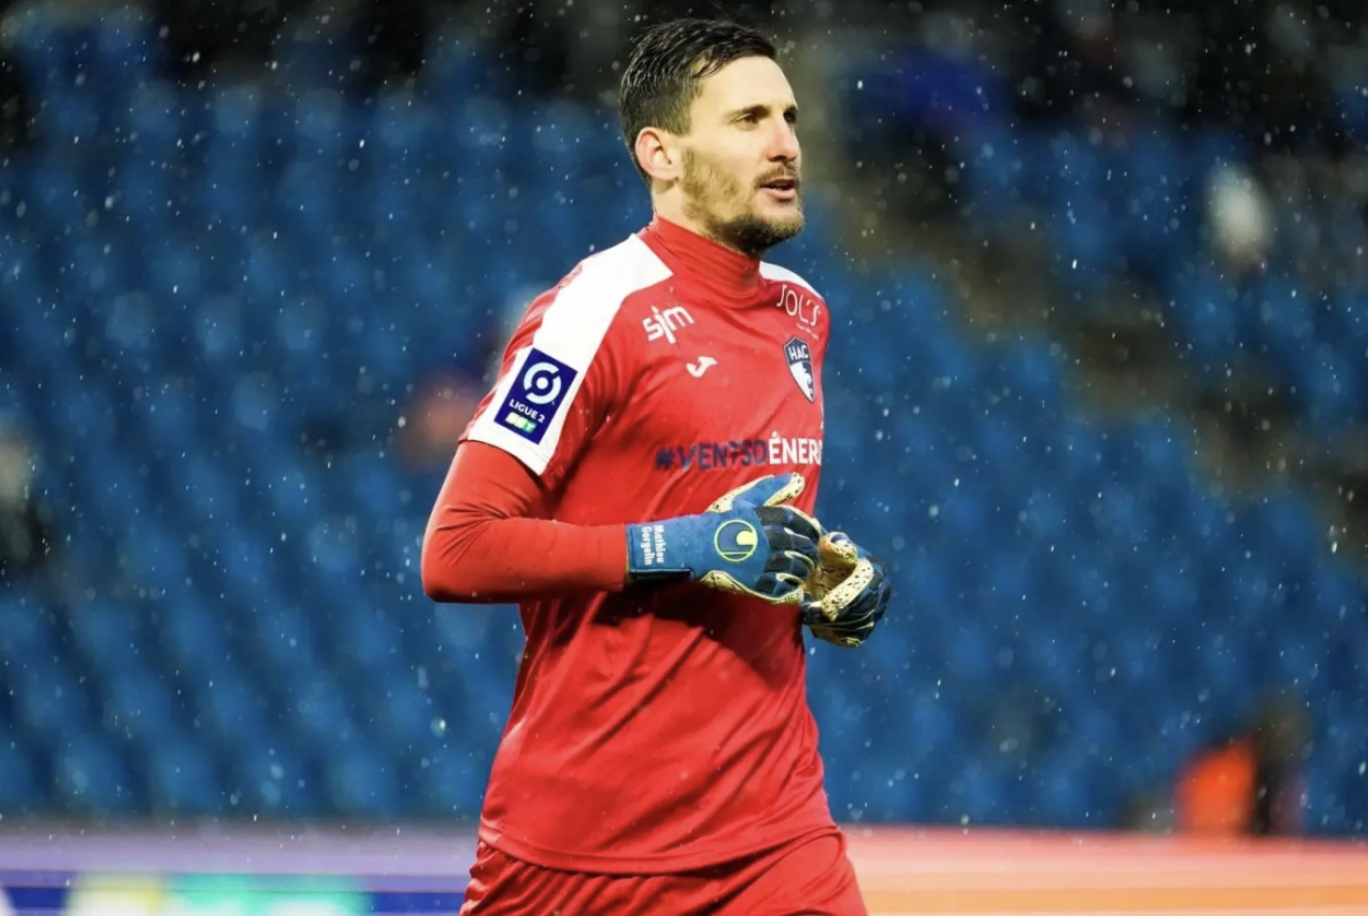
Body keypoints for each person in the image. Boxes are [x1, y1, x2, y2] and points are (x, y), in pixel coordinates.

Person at [421, 17, 892, 916]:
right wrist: (679, 547)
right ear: (661, 153)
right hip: (585, 850)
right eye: (748, 119)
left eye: (789, 117)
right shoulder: (592, 312)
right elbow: (457, 550)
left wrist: (816, 576)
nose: (786, 144)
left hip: (776, 835)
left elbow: (734, 519)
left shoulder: (805, 314)